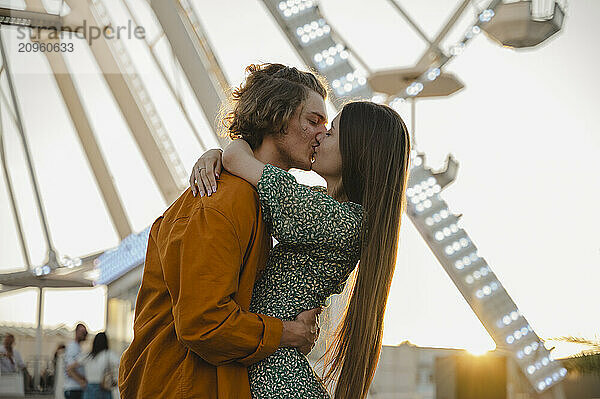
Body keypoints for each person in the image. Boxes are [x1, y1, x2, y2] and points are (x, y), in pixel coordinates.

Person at [118, 63, 327, 398]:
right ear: (276, 116)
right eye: (313, 120)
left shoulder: (253, 200)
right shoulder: (223, 203)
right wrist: (287, 333)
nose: (322, 133)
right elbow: (205, 323)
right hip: (183, 387)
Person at [190, 100, 411, 398]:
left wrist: (220, 154)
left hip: (274, 379)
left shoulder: (335, 219)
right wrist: (215, 155)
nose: (320, 135)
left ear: (356, 152)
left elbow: (237, 159)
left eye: (331, 132)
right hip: (270, 367)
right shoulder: (332, 210)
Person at [67, 333, 119, 399]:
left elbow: (69, 368)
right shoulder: (109, 354)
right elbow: (121, 365)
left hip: (89, 388)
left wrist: (81, 381)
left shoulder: (88, 356)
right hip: (103, 388)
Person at [64, 323, 88, 399]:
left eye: (85, 332)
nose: (85, 334)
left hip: (76, 388)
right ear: (76, 332)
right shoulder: (73, 348)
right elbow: (69, 369)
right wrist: (81, 382)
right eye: (82, 332)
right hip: (73, 388)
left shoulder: (78, 348)